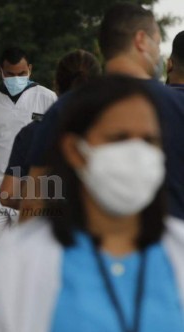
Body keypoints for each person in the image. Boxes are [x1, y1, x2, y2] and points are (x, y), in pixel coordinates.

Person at [0, 75, 184, 332]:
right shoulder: (22, 260)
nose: (136, 153)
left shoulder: (177, 252)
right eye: (119, 138)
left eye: (149, 140)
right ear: (76, 150)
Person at [22, 3, 184, 223]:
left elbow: (33, 200)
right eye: (156, 42)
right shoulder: (177, 104)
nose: (159, 54)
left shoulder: (63, 108)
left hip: (87, 250)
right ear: (141, 41)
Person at [0, 46, 57, 267]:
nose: (16, 78)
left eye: (21, 74)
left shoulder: (46, 97)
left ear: (30, 70)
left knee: (29, 245)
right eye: (11, 74)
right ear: (1, 72)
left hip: (32, 183)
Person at [0, 50, 102, 210]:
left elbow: (7, 195)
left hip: (47, 229)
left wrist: (46, 209)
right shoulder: (114, 131)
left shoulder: (34, 132)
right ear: (99, 83)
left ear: (56, 83)